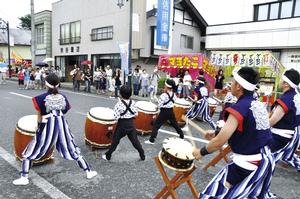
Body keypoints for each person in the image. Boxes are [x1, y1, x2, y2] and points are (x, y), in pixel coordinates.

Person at [193, 67, 274, 198]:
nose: (230, 83)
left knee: (213, 194)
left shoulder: (239, 108)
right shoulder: (258, 104)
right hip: (264, 160)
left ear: (239, 87)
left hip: (246, 164)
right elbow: (248, 130)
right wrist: (217, 132)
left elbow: (220, 142)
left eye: (233, 81)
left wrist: (200, 152)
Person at [12, 73, 97, 186]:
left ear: (46, 85)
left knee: (32, 150)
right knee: (71, 148)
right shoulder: (63, 97)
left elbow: (39, 116)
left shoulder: (40, 98)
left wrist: (39, 128)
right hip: (61, 125)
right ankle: (88, 171)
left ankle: (24, 177)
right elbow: (65, 110)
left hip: (47, 125)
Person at [102, 85, 145, 161]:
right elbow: (136, 114)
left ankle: (108, 156)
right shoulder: (133, 102)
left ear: (120, 94)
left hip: (122, 125)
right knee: (135, 141)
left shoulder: (119, 104)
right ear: (130, 94)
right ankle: (142, 154)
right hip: (131, 124)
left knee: (115, 141)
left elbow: (116, 117)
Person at [269, 69, 300, 170]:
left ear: (286, 84)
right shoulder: (296, 95)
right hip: (292, 133)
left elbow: (272, 121)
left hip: (281, 136)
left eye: (282, 79)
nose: (280, 81)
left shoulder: (286, 99)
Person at [145, 79, 184, 144]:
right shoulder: (174, 95)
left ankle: (151, 140)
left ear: (166, 86)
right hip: (171, 111)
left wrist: (157, 108)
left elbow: (160, 105)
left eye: (165, 85)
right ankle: (181, 135)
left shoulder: (163, 95)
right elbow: (174, 101)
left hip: (164, 112)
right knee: (175, 124)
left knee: (156, 125)